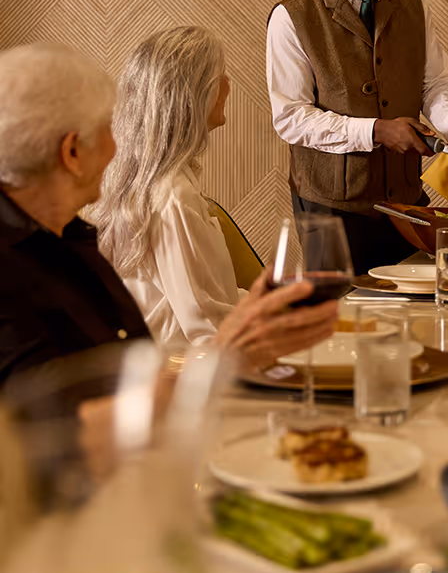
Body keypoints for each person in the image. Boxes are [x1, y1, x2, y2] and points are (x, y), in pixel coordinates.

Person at [0, 42, 338, 392]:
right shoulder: (14, 275)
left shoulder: (73, 238)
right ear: (72, 153)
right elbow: (63, 426)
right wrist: (231, 350)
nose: (117, 146)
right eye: (106, 129)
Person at [266, 0, 448, 275]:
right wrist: (377, 131)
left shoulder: (410, 0)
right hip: (329, 211)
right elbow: (290, 118)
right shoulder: (291, 17)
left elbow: (436, 82)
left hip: (407, 203)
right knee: (341, 326)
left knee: (414, 318)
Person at [94, 26, 250, 347]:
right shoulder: (173, 194)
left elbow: (211, 297)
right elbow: (206, 327)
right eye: (220, 76)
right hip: (177, 372)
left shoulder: (161, 182)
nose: (228, 85)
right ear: (194, 93)